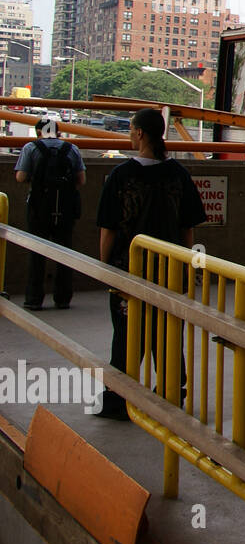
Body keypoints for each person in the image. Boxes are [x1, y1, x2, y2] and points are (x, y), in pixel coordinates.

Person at [95, 108, 207, 421]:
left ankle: (119, 398)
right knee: (169, 330)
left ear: (140, 133)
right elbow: (189, 227)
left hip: (129, 268)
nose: (129, 135)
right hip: (171, 269)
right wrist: (190, 264)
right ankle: (172, 392)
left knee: (127, 332)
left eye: (131, 130)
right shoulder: (179, 174)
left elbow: (108, 228)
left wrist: (105, 267)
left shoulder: (122, 175)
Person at [14, 115, 85, 310]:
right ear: (58, 131)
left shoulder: (31, 148)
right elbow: (81, 180)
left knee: (37, 253)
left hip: (39, 207)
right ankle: (63, 298)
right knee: (65, 251)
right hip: (65, 208)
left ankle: (34, 298)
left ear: (39, 132)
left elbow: (20, 176)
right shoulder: (72, 149)